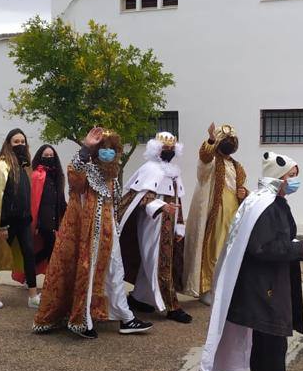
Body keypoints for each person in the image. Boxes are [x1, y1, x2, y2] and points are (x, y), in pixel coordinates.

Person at [200, 151, 303, 371]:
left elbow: (274, 242)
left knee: (263, 343)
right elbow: (263, 248)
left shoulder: (264, 200)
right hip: (265, 286)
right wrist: (300, 249)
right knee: (275, 344)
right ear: (279, 177)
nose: (295, 181)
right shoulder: (267, 205)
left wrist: (301, 251)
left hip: (262, 283)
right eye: (292, 176)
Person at [33, 127, 153, 339]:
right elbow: (73, 174)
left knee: (116, 274)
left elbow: (115, 206)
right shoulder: (86, 172)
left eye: (112, 149)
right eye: (103, 149)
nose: (108, 153)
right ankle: (83, 319)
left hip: (110, 235)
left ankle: (126, 318)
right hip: (90, 236)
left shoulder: (112, 178)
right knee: (87, 275)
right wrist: (86, 147)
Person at [119, 131, 192, 323]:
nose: (168, 151)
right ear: (156, 149)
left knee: (150, 263)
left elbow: (178, 199)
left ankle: (138, 298)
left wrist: (179, 225)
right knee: (159, 263)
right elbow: (142, 198)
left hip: (169, 222)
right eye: (165, 148)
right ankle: (171, 306)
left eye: (171, 148)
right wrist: (162, 207)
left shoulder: (174, 171)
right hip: (154, 224)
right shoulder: (149, 169)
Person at [183, 122, 248, 304]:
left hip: (233, 214)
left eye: (232, 140)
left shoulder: (237, 166)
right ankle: (207, 289)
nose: (229, 142)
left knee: (230, 252)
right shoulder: (211, 162)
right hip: (214, 213)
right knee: (213, 250)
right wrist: (211, 139)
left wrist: (245, 193)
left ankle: (226, 288)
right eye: (225, 139)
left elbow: (241, 187)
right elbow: (204, 156)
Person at [0, 128, 40, 310]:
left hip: (23, 221)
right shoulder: (3, 165)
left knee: (29, 255)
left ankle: (33, 296)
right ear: (8, 144)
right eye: (16, 142)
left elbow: (25, 195)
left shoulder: (24, 166)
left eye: (23, 142)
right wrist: (2, 224)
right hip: (7, 222)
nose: (20, 145)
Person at [11, 144, 67, 284]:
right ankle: (51, 283)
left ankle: (27, 271)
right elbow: (34, 201)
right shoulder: (37, 175)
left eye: (51, 156)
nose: (49, 158)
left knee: (46, 251)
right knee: (52, 252)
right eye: (45, 156)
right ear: (40, 157)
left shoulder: (57, 176)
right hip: (42, 222)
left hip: (54, 222)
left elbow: (60, 200)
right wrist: (35, 223)